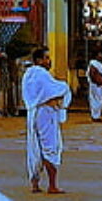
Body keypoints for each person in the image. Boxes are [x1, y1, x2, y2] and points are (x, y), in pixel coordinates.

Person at [22, 46, 72, 194]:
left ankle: (35, 183)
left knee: (34, 147)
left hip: (33, 113)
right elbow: (56, 89)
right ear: (38, 60)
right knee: (50, 147)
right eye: (46, 58)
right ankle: (52, 185)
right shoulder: (40, 74)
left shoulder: (28, 74)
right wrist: (62, 90)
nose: (49, 61)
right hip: (45, 114)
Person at [87, 50, 102, 121]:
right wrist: (97, 82)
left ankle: (100, 113)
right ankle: (95, 116)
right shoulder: (93, 63)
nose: (101, 56)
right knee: (96, 100)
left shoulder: (99, 64)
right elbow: (92, 74)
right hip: (96, 85)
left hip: (100, 85)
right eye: (100, 54)